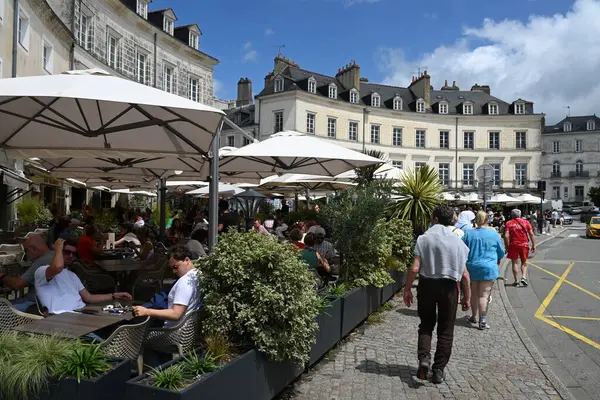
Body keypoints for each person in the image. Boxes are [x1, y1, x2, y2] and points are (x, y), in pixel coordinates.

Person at [403, 206, 471, 384]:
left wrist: (407, 289)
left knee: (426, 324)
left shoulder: (424, 238)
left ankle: (424, 359)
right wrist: (467, 297)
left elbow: (415, 268)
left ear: (435, 219)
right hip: (449, 287)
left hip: (427, 284)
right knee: (446, 329)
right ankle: (439, 370)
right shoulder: (458, 242)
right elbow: (464, 274)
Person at [35, 238, 131, 314]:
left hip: (82, 312)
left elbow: (89, 298)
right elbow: (58, 267)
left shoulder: (72, 275)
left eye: (73, 253)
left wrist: (114, 295)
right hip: (62, 317)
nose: (71, 256)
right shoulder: (42, 271)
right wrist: (58, 248)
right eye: (67, 252)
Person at [132, 248, 201, 327]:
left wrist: (147, 311)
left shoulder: (185, 282)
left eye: (175, 267)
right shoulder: (197, 275)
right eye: (171, 268)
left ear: (187, 260)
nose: (174, 271)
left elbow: (176, 314)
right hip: (186, 331)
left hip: (170, 333)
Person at [462, 211, 505, 330]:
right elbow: (501, 252)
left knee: (474, 293)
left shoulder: (468, 234)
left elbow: (461, 249)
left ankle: (474, 316)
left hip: (472, 267)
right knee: (484, 295)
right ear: (487, 220)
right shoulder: (493, 234)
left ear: (475, 220)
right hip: (488, 267)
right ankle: (483, 321)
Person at [0, 234, 55, 312]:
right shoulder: (54, 255)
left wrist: (2, 276)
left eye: (26, 251)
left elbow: (17, 284)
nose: (26, 255)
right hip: (47, 303)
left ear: (33, 249)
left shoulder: (41, 261)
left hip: (35, 304)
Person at [504, 209, 536, 287]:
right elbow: (531, 234)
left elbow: (506, 235)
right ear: (520, 215)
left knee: (514, 262)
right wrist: (533, 244)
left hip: (513, 244)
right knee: (524, 262)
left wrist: (507, 246)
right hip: (524, 244)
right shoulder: (526, 222)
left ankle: (516, 281)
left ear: (512, 215)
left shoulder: (509, 223)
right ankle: (524, 277)